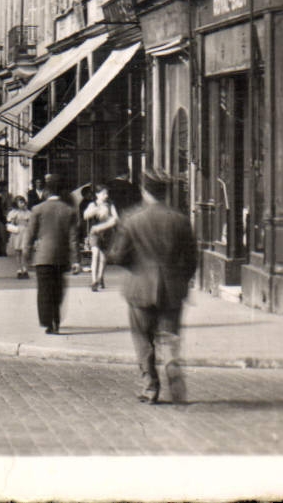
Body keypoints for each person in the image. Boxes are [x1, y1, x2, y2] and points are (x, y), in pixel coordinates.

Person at [109, 168, 200, 403]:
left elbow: (118, 256)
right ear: (166, 192)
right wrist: (181, 279)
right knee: (169, 335)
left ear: (144, 190)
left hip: (139, 288)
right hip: (172, 288)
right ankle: (171, 363)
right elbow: (192, 259)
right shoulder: (180, 219)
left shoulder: (132, 219)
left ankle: (150, 388)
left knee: (142, 338)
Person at [25, 175, 79, 334]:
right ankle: (56, 321)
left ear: (46, 192)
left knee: (44, 290)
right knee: (57, 289)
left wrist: (26, 256)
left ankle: (47, 322)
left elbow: (30, 235)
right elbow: (73, 239)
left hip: (42, 257)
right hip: (61, 257)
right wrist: (76, 261)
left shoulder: (37, 209)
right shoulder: (69, 211)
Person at [84, 183, 120, 291]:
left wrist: (108, 219)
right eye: (104, 193)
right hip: (94, 233)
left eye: (107, 193)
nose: (106, 196)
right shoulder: (92, 204)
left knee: (103, 258)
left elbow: (116, 218)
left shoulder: (110, 205)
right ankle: (94, 281)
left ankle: (100, 278)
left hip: (108, 233)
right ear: (97, 194)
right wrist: (94, 211)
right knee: (95, 255)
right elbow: (85, 215)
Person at [6, 195, 33, 279]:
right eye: (20, 202)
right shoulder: (13, 213)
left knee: (25, 252)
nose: (23, 204)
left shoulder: (28, 212)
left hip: (25, 232)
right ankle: (19, 269)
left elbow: (31, 222)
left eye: (23, 202)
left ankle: (25, 269)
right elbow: (10, 222)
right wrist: (13, 221)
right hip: (17, 232)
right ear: (16, 204)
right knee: (18, 252)